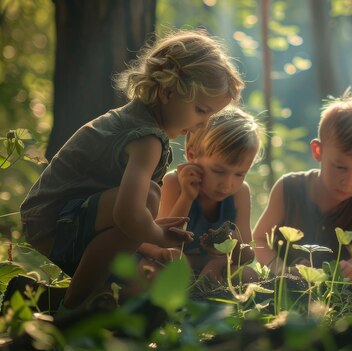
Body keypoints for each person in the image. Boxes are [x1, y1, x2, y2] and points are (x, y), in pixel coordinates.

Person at [19, 29, 244, 312]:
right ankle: (73, 307)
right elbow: (128, 215)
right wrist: (157, 236)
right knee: (149, 197)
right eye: (201, 110)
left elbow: (129, 217)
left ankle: (43, 299)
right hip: (53, 222)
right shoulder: (146, 139)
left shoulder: (134, 120)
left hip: (63, 219)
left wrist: (151, 232)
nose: (203, 124)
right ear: (167, 91)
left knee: (141, 284)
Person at [253, 90, 352, 283]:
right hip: (282, 284)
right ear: (318, 151)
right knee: (247, 278)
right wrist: (282, 271)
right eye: (341, 167)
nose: (349, 181)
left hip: (335, 286)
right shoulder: (288, 188)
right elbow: (258, 239)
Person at [139, 107, 262, 283]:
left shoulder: (240, 192)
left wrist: (231, 246)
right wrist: (187, 197)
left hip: (216, 264)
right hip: (176, 262)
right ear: (191, 155)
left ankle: (207, 283)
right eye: (218, 171)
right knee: (156, 271)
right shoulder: (174, 183)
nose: (228, 184)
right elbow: (164, 241)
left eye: (239, 174)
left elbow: (247, 256)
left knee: (249, 276)